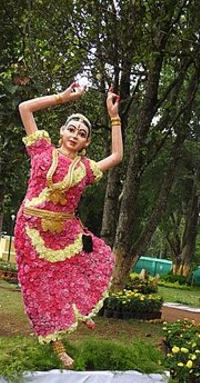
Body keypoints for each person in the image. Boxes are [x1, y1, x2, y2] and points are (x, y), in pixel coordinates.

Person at [15, 82, 122, 368]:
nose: (75, 135)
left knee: (92, 260)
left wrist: (114, 117)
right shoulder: (41, 151)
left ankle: (80, 308)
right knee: (40, 289)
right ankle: (57, 347)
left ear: (87, 143)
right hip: (31, 229)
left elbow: (117, 157)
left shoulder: (85, 169)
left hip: (65, 232)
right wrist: (63, 97)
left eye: (82, 134)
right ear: (61, 132)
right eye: (71, 129)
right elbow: (24, 108)